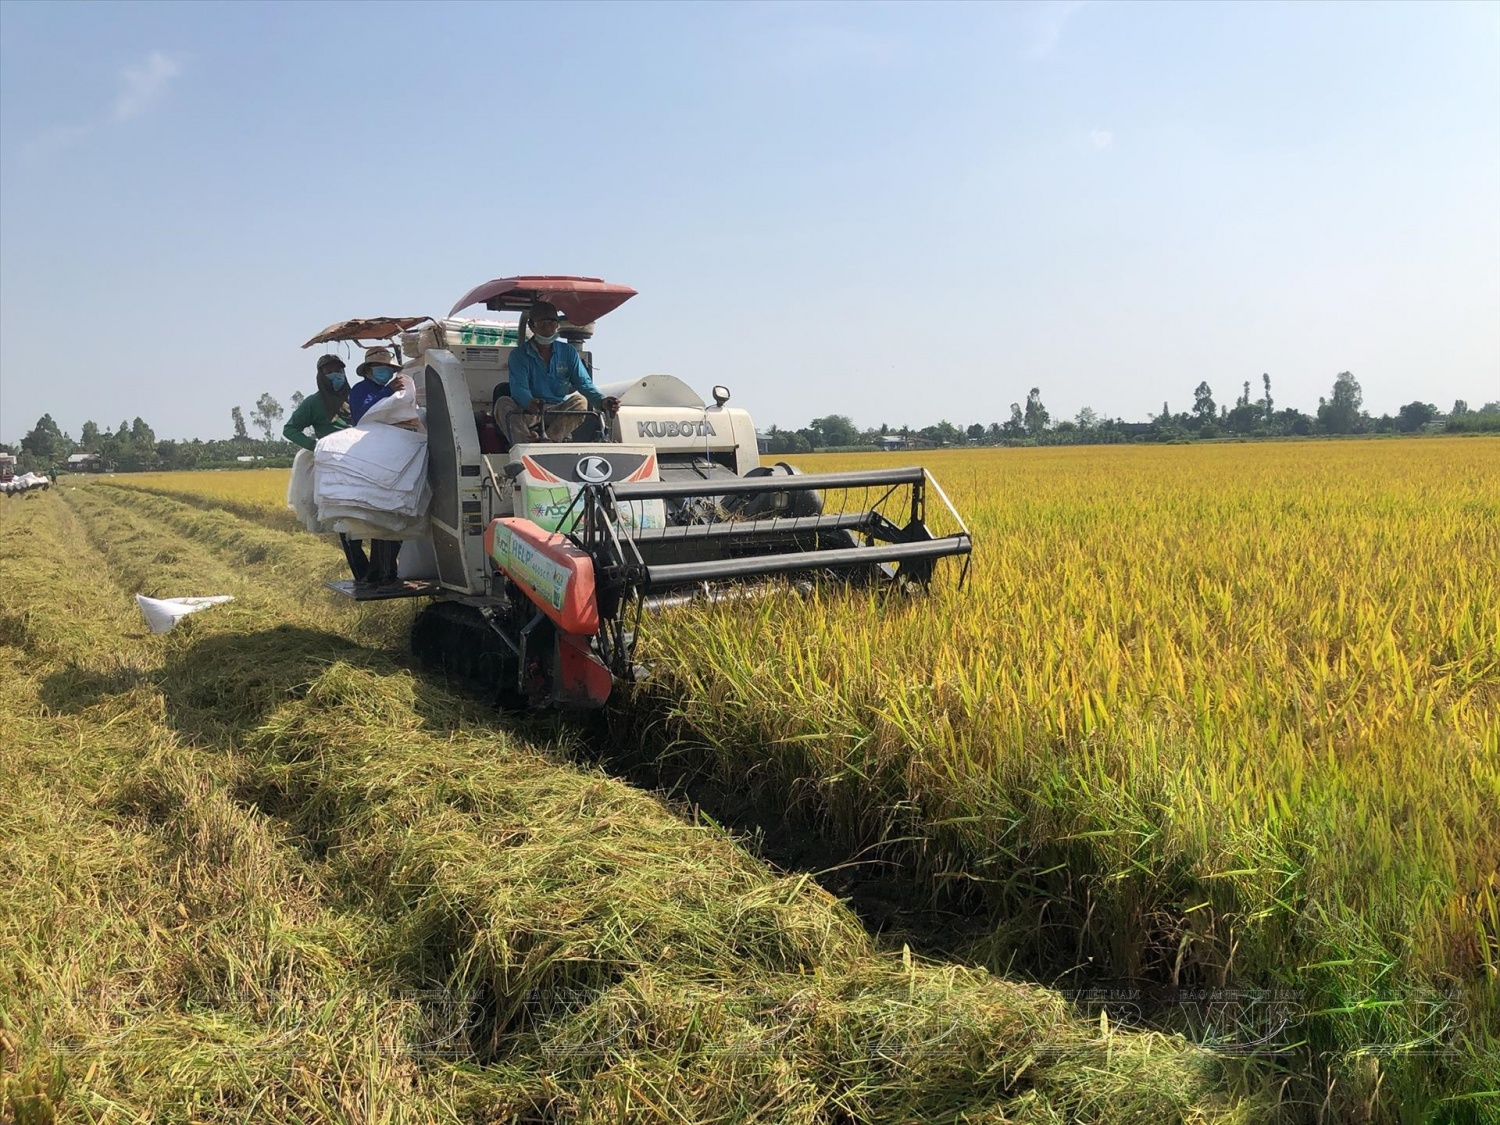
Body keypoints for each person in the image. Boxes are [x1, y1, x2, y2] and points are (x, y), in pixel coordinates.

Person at [286, 354, 370, 583]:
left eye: (339, 371)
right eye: (329, 372)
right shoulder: (313, 403)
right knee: (344, 519)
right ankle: (362, 573)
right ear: (321, 376)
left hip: (362, 461)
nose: (336, 375)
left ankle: (380, 570)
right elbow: (290, 429)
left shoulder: (357, 396)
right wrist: (315, 446)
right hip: (333, 465)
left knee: (370, 513)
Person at [494, 301, 619, 444]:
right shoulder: (519, 355)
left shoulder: (568, 352)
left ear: (558, 325)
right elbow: (519, 388)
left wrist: (601, 401)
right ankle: (525, 443)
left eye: (552, 322)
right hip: (528, 412)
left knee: (580, 401)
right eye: (542, 322)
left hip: (556, 411)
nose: (548, 327)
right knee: (503, 404)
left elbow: (584, 383)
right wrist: (529, 402)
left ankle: (547, 441)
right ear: (532, 326)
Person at [346, 346, 407, 589]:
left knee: (393, 517)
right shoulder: (361, 390)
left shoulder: (392, 389)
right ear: (369, 370)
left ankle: (382, 572)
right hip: (373, 455)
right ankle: (383, 575)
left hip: (392, 453)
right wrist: (388, 392)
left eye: (388, 369)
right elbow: (364, 414)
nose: (385, 372)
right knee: (382, 518)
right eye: (381, 368)